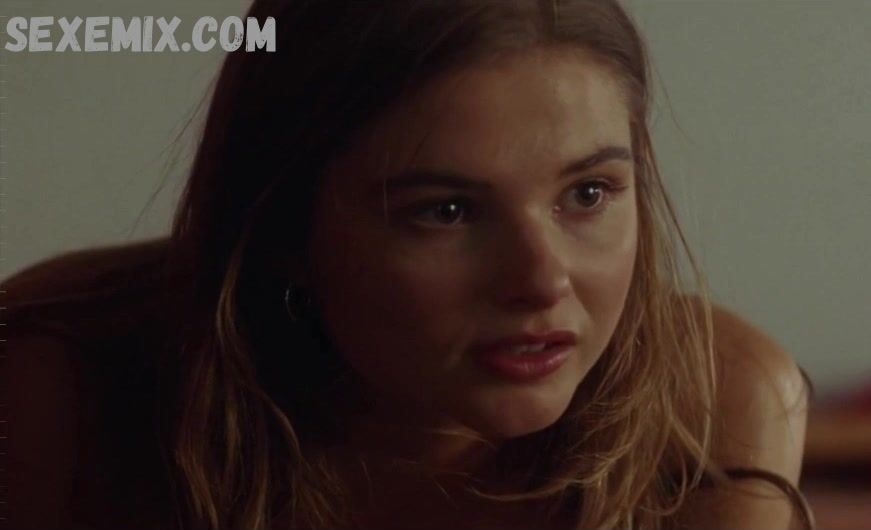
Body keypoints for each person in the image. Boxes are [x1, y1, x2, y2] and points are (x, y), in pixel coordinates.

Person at [1, 1, 814, 528]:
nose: (541, 280)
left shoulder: (716, 401)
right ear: (281, 230)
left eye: (589, 193)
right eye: (446, 211)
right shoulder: (62, 374)